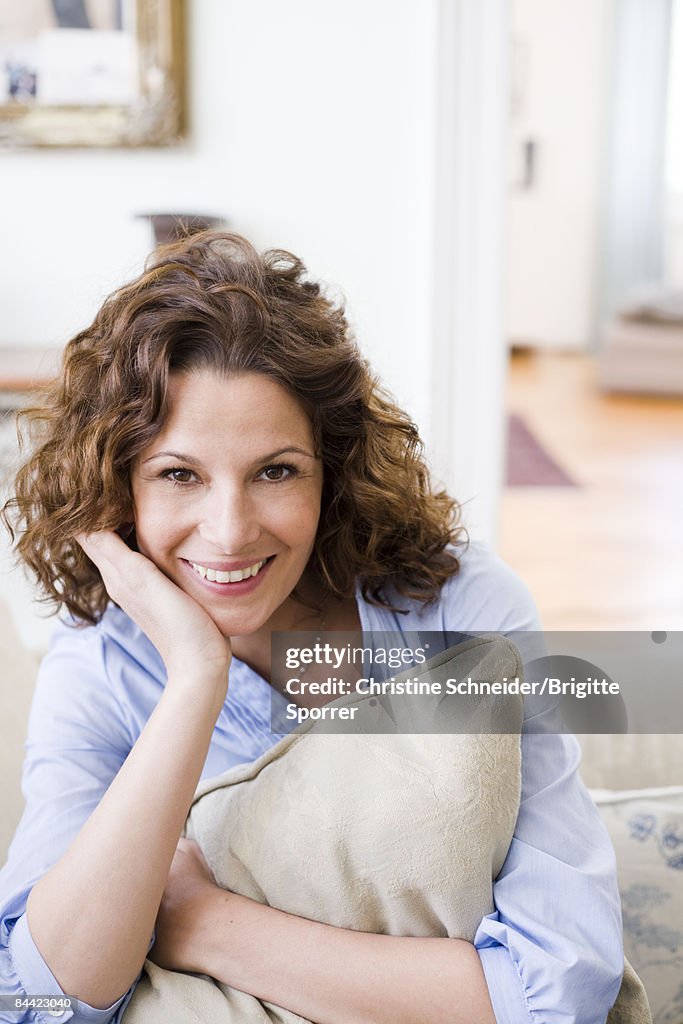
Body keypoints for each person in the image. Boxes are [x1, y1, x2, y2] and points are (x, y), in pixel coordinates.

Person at [0, 232, 624, 1024]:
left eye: (275, 471)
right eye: (177, 474)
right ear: (116, 488)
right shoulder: (102, 662)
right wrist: (196, 679)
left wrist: (205, 923)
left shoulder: (462, 614)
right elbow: (36, 1001)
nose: (228, 532)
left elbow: (563, 988)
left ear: (334, 473)